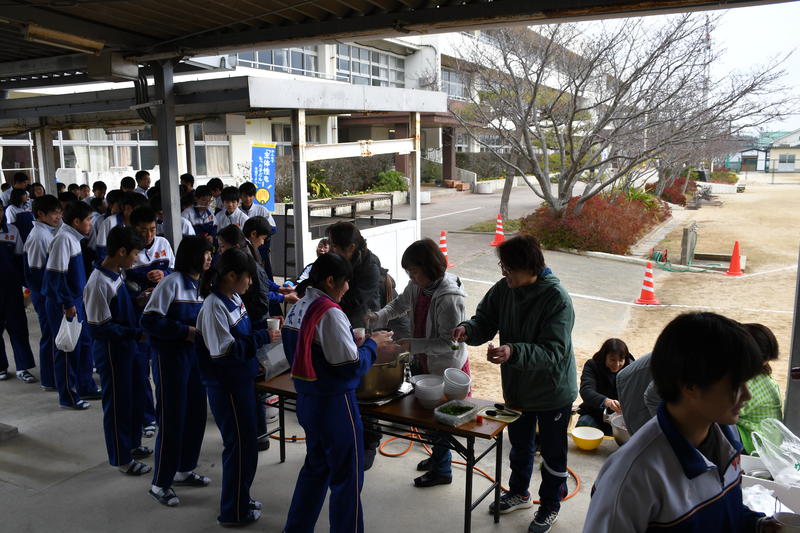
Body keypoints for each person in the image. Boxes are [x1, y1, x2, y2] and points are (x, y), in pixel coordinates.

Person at [584, 312, 780, 533]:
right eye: (735, 385)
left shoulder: (728, 440)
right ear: (691, 386)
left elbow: (723, 509)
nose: (747, 395)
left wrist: (756, 525)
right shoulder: (632, 477)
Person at [453, 234, 576, 533]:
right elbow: (485, 319)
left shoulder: (557, 299)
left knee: (553, 454)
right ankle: (520, 493)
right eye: (502, 266)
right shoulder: (504, 289)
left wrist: (513, 352)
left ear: (529, 267)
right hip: (518, 389)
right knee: (520, 446)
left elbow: (555, 351)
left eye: (508, 267)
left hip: (552, 392)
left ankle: (550, 505)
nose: (503, 272)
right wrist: (468, 330)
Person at [282, 253, 397, 533]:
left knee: (315, 469)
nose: (347, 288)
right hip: (334, 404)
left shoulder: (299, 306)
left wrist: (352, 343)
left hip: (307, 399)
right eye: (345, 282)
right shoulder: (329, 312)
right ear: (331, 280)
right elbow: (350, 367)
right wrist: (372, 345)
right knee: (347, 477)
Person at [368, 238, 468, 487]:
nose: (411, 277)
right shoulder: (419, 286)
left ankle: (443, 469)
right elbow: (400, 304)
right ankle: (438, 458)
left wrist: (412, 344)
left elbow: (450, 343)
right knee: (427, 417)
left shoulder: (450, 298)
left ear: (430, 267)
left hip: (445, 367)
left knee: (440, 420)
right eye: (409, 272)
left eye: (414, 271)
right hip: (424, 359)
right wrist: (378, 316)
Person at [196, 248, 276, 526]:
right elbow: (225, 353)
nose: (250, 283)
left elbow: (242, 338)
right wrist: (263, 337)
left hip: (243, 381)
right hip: (227, 387)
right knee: (238, 447)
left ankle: (242, 497)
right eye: (248, 277)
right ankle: (233, 512)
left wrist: (259, 343)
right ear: (231, 276)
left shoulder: (234, 299)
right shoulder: (213, 307)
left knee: (248, 445)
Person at [142, 236, 214, 507]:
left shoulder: (203, 285)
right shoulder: (171, 283)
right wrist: (185, 332)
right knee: (172, 417)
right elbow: (149, 320)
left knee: (196, 414)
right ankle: (160, 483)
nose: (209, 257)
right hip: (170, 359)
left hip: (195, 359)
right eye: (205, 253)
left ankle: (184, 468)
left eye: (210, 253)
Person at [83, 226, 152, 476]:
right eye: (134, 253)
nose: (136, 258)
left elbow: (119, 309)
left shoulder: (117, 274)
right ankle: (122, 458)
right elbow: (99, 327)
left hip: (129, 347)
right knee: (118, 405)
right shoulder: (98, 283)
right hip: (113, 351)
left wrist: (139, 300)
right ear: (121, 251)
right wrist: (135, 333)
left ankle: (132, 444)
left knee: (133, 397)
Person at [43, 201, 100, 409]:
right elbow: (55, 276)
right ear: (76, 221)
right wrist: (67, 303)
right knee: (67, 348)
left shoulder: (74, 238)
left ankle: (85, 386)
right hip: (64, 303)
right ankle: (67, 396)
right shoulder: (63, 239)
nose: (91, 224)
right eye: (88, 220)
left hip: (75, 300)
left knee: (83, 343)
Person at [127, 205, 175, 439]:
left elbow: (176, 273)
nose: (148, 235)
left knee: (163, 368)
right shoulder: (128, 251)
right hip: (137, 316)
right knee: (140, 369)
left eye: (152, 229)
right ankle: (147, 417)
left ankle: (166, 413)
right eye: (142, 230)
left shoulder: (163, 244)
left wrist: (164, 275)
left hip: (163, 315)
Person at [23, 194, 62, 390]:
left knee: (53, 334)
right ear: (40, 214)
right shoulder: (40, 236)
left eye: (59, 212)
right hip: (43, 292)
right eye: (54, 213)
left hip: (47, 292)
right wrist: (48, 295)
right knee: (50, 334)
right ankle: (49, 378)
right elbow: (36, 271)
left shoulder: (48, 232)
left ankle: (53, 376)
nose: (58, 217)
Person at [0, 203, 37, 383]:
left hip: (12, 288)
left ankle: (23, 368)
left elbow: (20, 259)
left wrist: (25, 286)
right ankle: (1, 367)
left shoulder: (12, 231)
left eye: (0, 210)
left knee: (18, 328)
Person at [737, 323, 783, 455]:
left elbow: (723, 409)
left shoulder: (751, 381)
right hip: (767, 442)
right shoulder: (761, 375)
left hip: (756, 444)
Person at [577, 338, 634, 435]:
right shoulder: (592, 365)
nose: (617, 364)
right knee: (583, 424)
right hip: (594, 413)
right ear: (604, 356)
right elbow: (586, 390)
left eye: (621, 360)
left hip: (619, 416)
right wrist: (607, 401)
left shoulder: (631, 368)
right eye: (612, 360)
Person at [615, 353, 659, 436]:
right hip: (632, 383)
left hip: (649, 380)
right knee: (641, 431)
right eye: (612, 360)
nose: (617, 364)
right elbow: (651, 397)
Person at [95, 191, 147, 261]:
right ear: (124, 207)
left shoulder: (143, 223)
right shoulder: (110, 222)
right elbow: (102, 251)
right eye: (136, 210)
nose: (140, 214)